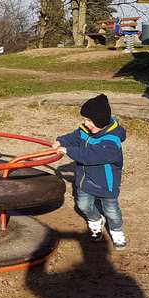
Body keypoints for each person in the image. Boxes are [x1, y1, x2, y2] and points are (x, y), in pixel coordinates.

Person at [54, 93, 127, 249]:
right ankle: (95, 221)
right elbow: (74, 137)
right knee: (83, 205)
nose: (85, 123)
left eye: (88, 120)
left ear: (100, 121)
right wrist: (61, 141)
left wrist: (68, 150)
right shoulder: (86, 130)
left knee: (111, 211)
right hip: (84, 181)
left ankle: (116, 231)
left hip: (105, 185)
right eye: (85, 119)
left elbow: (91, 156)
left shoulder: (112, 141)